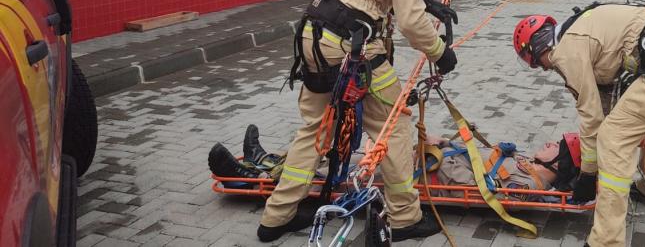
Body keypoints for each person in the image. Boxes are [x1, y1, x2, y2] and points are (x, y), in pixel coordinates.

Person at [256, 0, 460, 243]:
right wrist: (440, 52)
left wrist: (428, 3)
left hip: (314, 38)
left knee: (316, 131)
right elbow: (409, 22)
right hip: (354, 48)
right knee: (393, 126)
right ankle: (406, 217)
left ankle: (276, 218)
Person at [512, 1, 645, 247]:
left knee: (613, 138)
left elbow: (591, 116)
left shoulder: (567, 50)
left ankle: (606, 240)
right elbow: (606, 97)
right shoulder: (579, 32)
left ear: (536, 48)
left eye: (536, 63)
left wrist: (588, 175)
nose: (543, 69)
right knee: (639, 124)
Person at [209, 125, 583, 202]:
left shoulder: (529, 186)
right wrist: (441, 142)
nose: (549, 142)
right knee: (336, 151)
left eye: (557, 146)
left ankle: (245, 176)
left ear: (562, 164)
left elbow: (474, 183)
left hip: (418, 171)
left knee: (335, 168)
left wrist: (424, 151)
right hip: (423, 161)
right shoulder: (524, 166)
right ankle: (267, 160)